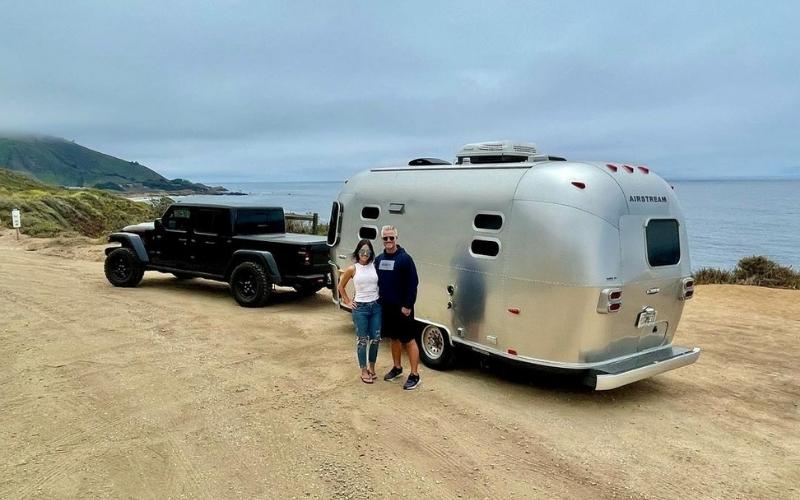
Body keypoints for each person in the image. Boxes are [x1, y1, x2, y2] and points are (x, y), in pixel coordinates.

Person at [374, 225, 421, 390]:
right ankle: (397, 367)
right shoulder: (379, 260)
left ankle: (415, 375)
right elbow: (376, 282)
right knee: (394, 338)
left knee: (408, 340)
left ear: (396, 238)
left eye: (391, 238)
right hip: (387, 307)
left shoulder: (405, 259)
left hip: (403, 309)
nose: (388, 241)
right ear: (382, 239)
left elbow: (413, 284)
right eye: (385, 238)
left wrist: (408, 305)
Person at [337, 239, 382, 384]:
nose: (364, 254)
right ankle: (363, 370)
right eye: (362, 251)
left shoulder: (374, 266)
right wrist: (348, 302)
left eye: (367, 251)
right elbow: (340, 286)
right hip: (360, 309)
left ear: (371, 253)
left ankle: (372, 368)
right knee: (362, 341)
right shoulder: (353, 269)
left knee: (375, 339)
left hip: (375, 307)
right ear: (358, 252)